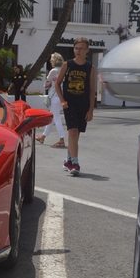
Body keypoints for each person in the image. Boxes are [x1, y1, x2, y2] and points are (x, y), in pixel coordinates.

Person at [54, 38, 95, 175]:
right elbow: (57, 84)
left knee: (76, 134)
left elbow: (91, 90)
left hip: (83, 104)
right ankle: (75, 163)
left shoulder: (90, 67)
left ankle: (67, 160)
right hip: (69, 104)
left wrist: (90, 110)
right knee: (72, 131)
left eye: (81, 48)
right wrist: (62, 101)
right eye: (76, 48)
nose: (78, 51)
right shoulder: (68, 64)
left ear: (87, 51)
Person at [37, 53, 66, 148]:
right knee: (53, 116)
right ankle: (43, 136)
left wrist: (47, 85)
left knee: (56, 117)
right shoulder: (64, 69)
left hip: (54, 95)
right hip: (62, 96)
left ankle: (62, 139)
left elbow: (46, 84)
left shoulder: (53, 71)